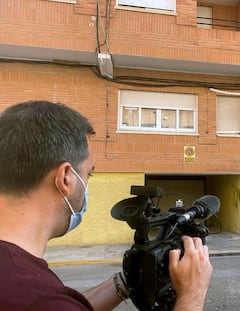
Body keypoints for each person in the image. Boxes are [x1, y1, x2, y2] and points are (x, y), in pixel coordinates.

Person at [0, 100, 212, 311]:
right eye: (88, 173)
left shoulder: (21, 286)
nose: (87, 181)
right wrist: (192, 294)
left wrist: (126, 282)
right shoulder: (37, 299)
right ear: (66, 178)